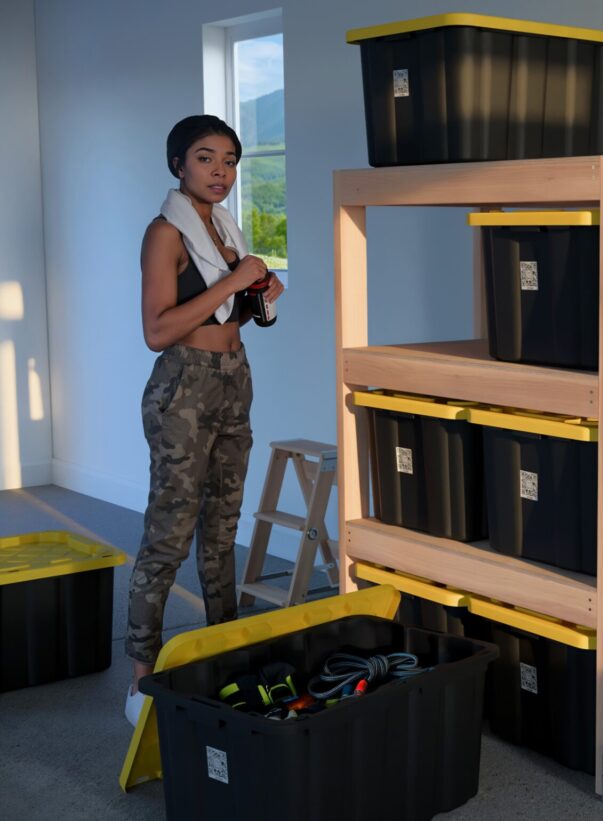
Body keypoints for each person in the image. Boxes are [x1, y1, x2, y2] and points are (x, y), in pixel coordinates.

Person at [124, 115, 284, 725]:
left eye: (229, 160)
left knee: (221, 533)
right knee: (168, 537)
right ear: (177, 166)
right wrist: (235, 283)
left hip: (232, 380)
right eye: (205, 159)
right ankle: (141, 684)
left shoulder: (223, 230)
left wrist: (258, 295)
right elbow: (157, 330)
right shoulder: (165, 232)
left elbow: (225, 323)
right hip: (181, 388)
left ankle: (225, 652)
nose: (221, 172)